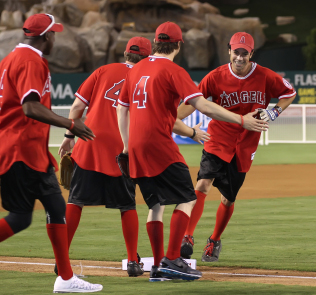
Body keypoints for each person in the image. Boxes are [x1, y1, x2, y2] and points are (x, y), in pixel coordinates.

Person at [117, 22, 267, 281]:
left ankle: (158, 266)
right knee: (187, 197)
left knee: (155, 205)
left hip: (136, 146)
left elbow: (122, 108)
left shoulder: (136, 69)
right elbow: (203, 106)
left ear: (155, 42)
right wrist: (242, 120)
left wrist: (126, 145)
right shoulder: (173, 70)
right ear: (178, 45)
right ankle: (173, 259)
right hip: (159, 144)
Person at [57, 36, 210, 278]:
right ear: (150, 54)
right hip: (125, 149)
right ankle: (132, 261)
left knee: (76, 201)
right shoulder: (144, 75)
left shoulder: (103, 70)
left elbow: (76, 107)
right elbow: (164, 119)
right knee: (127, 205)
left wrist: (69, 134)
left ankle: (61, 259)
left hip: (90, 145)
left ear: (126, 53)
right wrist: (192, 132)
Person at [0, 13, 102, 293]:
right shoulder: (30, 60)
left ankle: (66, 279)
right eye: (53, 34)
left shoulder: (13, 58)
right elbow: (30, 107)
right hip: (19, 150)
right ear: (46, 36)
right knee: (20, 217)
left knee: (57, 208)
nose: (55, 38)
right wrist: (71, 124)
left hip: (30, 150)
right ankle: (66, 279)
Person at [176, 32, 297, 262]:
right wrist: (171, 120)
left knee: (228, 198)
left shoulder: (265, 76)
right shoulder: (215, 77)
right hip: (218, 138)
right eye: (236, 52)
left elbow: (289, 93)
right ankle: (187, 236)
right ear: (229, 51)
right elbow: (193, 101)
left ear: (251, 54)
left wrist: (274, 111)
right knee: (202, 184)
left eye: (244, 53)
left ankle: (214, 240)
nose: (239, 57)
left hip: (245, 145)